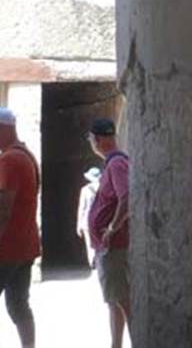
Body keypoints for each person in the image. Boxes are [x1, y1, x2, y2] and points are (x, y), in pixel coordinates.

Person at [0, 106, 39, 348]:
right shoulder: (25, 155)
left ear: (3, 128)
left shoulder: (10, 160)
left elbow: (3, 207)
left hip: (5, 247)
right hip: (25, 245)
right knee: (19, 304)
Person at [87, 119, 129, 348]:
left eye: (91, 139)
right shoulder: (113, 164)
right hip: (108, 245)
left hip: (114, 245)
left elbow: (126, 196)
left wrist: (113, 227)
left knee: (121, 299)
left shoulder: (116, 164)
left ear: (98, 140)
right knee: (115, 300)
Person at [76, 167, 101, 268]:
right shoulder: (104, 187)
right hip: (100, 220)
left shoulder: (85, 190)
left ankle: (93, 263)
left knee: (90, 245)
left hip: (87, 221)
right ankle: (100, 262)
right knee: (100, 243)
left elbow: (82, 207)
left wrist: (78, 224)